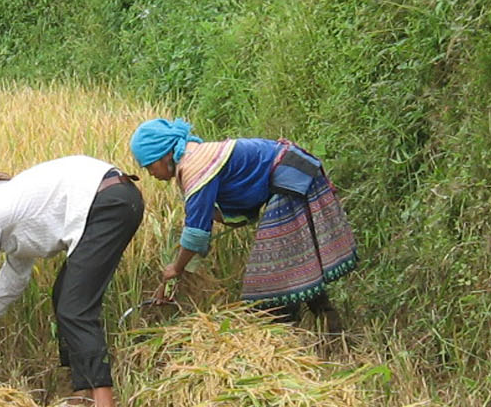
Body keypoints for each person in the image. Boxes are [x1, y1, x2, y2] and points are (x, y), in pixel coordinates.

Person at [0, 155, 144, 407]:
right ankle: (83, 396)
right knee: (64, 295)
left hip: (105, 203)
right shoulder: (9, 205)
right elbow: (13, 279)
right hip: (120, 197)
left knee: (75, 309)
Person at [128, 117, 356, 333]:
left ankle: (284, 337)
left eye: (149, 165)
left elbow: (196, 236)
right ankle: (327, 325)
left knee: (273, 276)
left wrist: (175, 269)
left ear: (163, 155)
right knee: (292, 264)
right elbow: (219, 218)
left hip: (293, 180)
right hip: (296, 174)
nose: (150, 173)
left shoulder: (194, 165)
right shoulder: (195, 159)